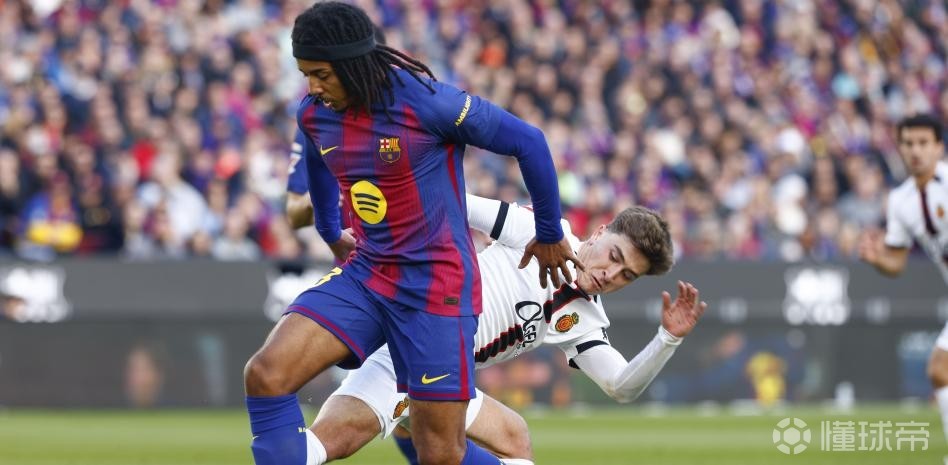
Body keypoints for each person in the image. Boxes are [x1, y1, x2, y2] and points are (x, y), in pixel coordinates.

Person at [245, 4, 581, 465]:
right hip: (369, 274)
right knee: (266, 374)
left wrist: (548, 231)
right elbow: (320, 166)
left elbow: (528, 141)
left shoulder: (427, 102)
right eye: (306, 74)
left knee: (439, 454)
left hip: (436, 289)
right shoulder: (315, 113)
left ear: (353, 64)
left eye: (321, 74)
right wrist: (329, 229)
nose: (313, 87)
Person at [299, 193, 704, 465]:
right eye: (614, 256)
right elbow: (451, 200)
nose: (610, 274)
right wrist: (357, 213)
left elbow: (621, 386)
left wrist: (667, 339)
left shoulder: (585, 321)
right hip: (411, 343)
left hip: (442, 374)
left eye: (627, 275)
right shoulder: (539, 229)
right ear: (598, 233)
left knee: (511, 437)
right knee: (319, 447)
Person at [859, 113, 948, 451]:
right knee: (940, 370)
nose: (916, 151)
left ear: (939, 147)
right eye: (908, 143)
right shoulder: (900, 200)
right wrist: (877, 258)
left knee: (941, 367)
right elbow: (896, 262)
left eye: (923, 143)